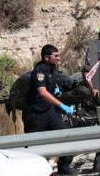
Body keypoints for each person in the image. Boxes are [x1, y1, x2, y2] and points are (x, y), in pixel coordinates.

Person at [22, 44, 77, 175]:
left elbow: (51, 85)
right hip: (35, 114)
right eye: (56, 56)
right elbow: (42, 92)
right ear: (47, 58)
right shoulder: (39, 71)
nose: (59, 58)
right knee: (34, 148)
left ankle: (64, 168)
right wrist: (61, 105)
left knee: (65, 136)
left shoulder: (51, 69)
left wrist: (56, 89)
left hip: (48, 111)